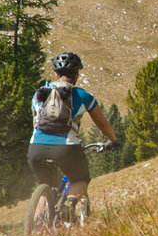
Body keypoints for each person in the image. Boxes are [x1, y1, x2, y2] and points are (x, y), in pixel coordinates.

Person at [27, 51, 119, 221]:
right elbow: (102, 124)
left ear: (55, 73)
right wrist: (113, 140)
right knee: (80, 179)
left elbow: (35, 118)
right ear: (76, 74)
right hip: (66, 148)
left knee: (45, 185)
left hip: (36, 149)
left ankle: (38, 225)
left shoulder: (38, 94)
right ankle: (69, 205)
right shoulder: (83, 96)